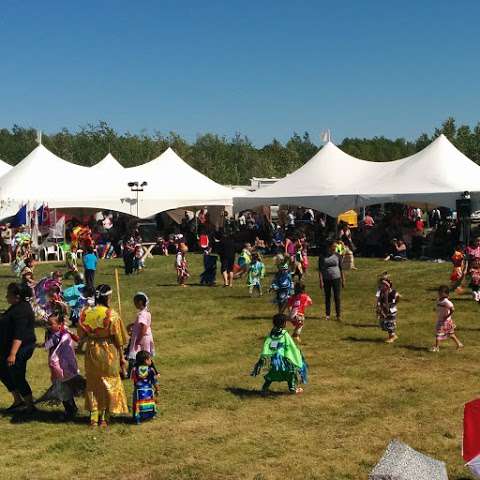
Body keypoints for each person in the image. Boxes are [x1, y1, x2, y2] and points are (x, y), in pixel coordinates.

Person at [78, 284, 129, 427]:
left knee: (93, 383)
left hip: (92, 351)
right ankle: (104, 418)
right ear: (108, 296)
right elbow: (119, 339)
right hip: (108, 352)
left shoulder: (85, 313)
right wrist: (122, 357)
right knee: (109, 382)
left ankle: (93, 417)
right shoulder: (112, 314)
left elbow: (81, 334)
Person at [37, 310, 84, 420]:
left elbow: (69, 350)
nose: (49, 326)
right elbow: (47, 346)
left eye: (51, 324)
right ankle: (71, 410)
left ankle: (71, 411)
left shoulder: (64, 336)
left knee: (65, 388)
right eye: (48, 323)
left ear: (60, 325)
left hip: (64, 366)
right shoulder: (53, 334)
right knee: (62, 389)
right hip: (58, 367)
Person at [0, 283, 36, 413]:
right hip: (8, 347)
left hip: (22, 347)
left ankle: (30, 405)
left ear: (17, 296)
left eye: (9, 294)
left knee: (17, 374)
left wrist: (13, 354)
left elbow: (19, 334)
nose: (6, 296)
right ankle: (18, 400)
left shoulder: (22, 310)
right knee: (3, 371)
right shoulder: (15, 307)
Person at [251, 313, 307, 395]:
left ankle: (264, 389)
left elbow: (267, 344)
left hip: (274, 359)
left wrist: (265, 355)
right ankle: (292, 389)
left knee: (272, 373)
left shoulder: (272, 332)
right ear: (283, 323)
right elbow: (291, 346)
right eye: (285, 322)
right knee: (290, 372)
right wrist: (296, 354)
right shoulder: (284, 333)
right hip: (283, 360)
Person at [430, 285, 464, 352]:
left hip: (445, 321)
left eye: (441, 292)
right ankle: (459, 344)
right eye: (439, 292)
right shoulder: (438, 300)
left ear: (445, 293)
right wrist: (435, 309)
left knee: (438, 333)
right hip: (441, 319)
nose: (439, 293)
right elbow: (438, 306)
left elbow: (452, 309)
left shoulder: (446, 301)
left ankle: (437, 348)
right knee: (450, 334)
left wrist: (447, 316)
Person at [127, 292, 154, 371]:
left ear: (140, 302)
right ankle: (150, 370)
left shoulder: (141, 314)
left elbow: (144, 327)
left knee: (137, 355)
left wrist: (138, 340)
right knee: (145, 355)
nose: (134, 303)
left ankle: (133, 372)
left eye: (135, 301)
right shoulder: (146, 312)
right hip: (146, 337)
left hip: (142, 338)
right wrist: (133, 325)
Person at [318, 241, 345, 321]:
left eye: (335, 247)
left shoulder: (338, 256)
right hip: (326, 279)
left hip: (336, 278)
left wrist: (343, 279)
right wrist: (321, 280)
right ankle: (327, 314)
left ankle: (338, 315)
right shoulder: (322, 256)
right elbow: (320, 269)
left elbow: (341, 268)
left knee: (337, 297)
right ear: (329, 247)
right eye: (333, 247)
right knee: (327, 297)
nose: (334, 248)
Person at [131, 350, 159, 424]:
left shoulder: (134, 370)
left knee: (136, 403)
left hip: (138, 389)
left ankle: (136, 417)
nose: (151, 360)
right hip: (148, 390)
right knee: (149, 402)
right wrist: (157, 389)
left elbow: (134, 380)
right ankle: (150, 415)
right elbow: (154, 381)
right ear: (146, 360)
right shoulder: (151, 370)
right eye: (150, 359)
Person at [376, 274, 400, 343]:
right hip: (385, 310)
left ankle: (392, 337)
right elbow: (380, 301)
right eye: (381, 285)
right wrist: (379, 309)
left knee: (390, 323)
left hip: (391, 310)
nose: (382, 286)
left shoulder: (392, 292)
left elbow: (398, 297)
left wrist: (394, 303)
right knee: (384, 323)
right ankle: (392, 335)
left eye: (383, 285)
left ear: (387, 286)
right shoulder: (382, 293)